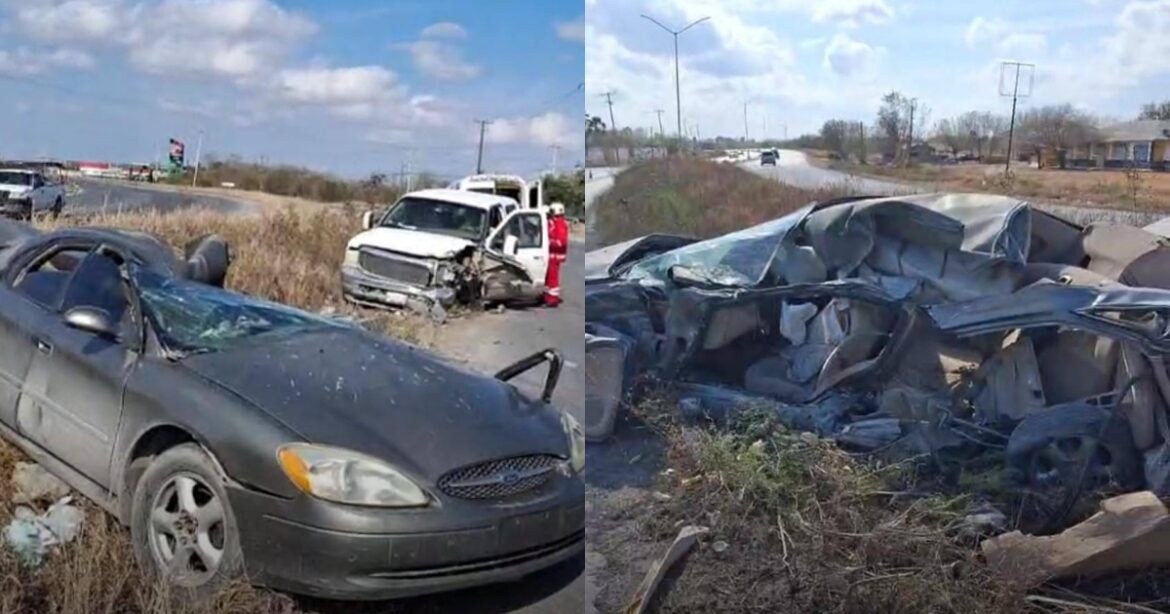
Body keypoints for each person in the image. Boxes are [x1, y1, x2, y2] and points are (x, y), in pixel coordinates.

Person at [545, 202, 569, 307]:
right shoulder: (554, 222)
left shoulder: (560, 224)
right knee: (549, 277)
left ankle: (552, 299)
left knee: (553, 278)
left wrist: (550, 242)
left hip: (555, 255)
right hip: (552, 254)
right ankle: (548, 296)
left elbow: (561, 242)